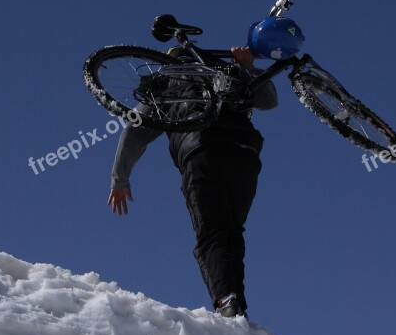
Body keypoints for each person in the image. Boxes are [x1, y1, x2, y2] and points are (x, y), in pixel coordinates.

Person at [107, 46, 277, 318]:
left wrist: (120, 179)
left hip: (202, 150)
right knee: (232, 230)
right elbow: (268, 101)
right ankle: (235, 305)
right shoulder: (225, 71)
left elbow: (134, 129)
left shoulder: (164, 84)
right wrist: (247, 67)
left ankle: (227, 301)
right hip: (245, 152)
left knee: (211, 232)